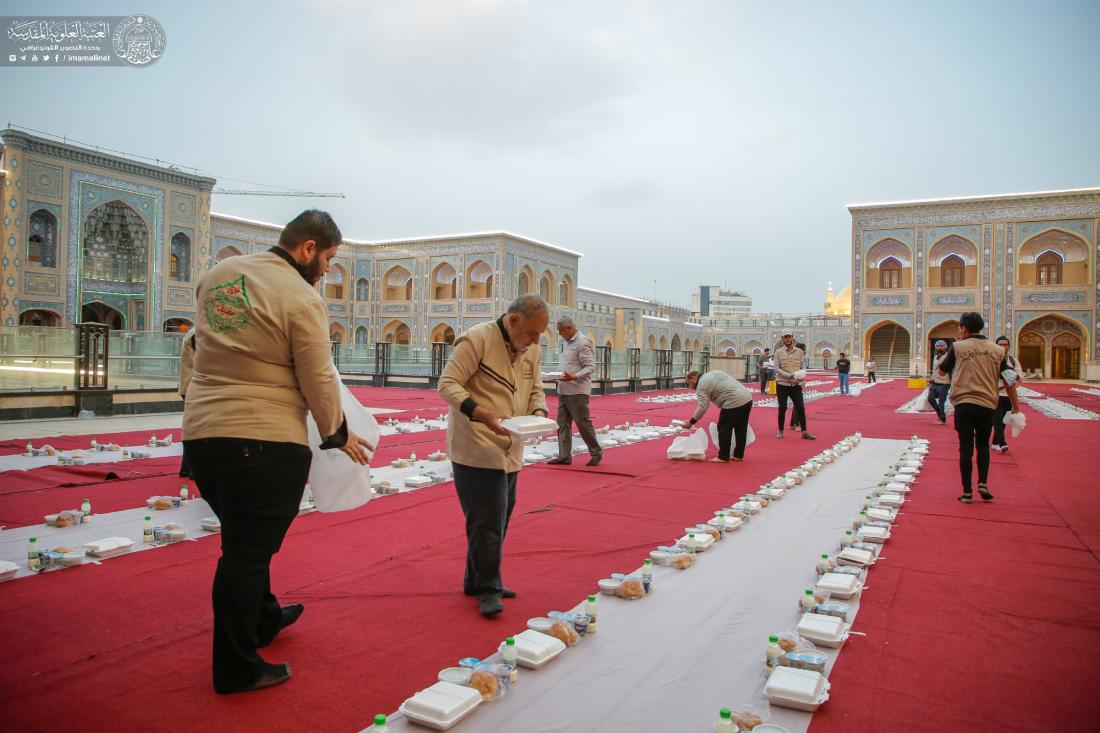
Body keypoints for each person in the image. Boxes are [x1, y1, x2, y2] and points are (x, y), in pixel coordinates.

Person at [184, 210, 376, 695]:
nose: (328, 270)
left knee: (245, 538)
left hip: (203, 435)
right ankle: (237, 667)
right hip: (263, 439)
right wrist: (337, 433)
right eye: (329, 258)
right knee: (245, 554)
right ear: (308, 248)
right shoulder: (300, 296)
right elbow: (317, 373)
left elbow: (195, 345)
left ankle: (265, 617)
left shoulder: (217, 277)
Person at [438, 295, 550, 616]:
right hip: (476, 445)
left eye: (540, 334)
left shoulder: (532, 349)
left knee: (499, 518)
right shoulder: (477, 340)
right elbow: (448, 384)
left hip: (511, 445)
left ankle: (476, 579)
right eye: (531, 332)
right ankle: (488, 587)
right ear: (512, 321)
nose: (535, 340)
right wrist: (481, 412)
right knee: (487, 520)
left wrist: (538, 410)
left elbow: (535, 388)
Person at [935, 312, 1020, 504]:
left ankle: (967, 492)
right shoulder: (997, 350)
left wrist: (952, 354)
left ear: (964, 328)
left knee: (965, 449)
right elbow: (1009, 379)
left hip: (964, 403)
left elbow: (941, 371)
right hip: (987, 404)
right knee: (983, 446)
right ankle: (983, 483)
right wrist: (1016, 406)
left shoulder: (958, 347)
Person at [547, 317, 602, 467]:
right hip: (564, 390)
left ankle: (596, 453)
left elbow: (590, 367)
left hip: (577, 391)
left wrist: (574, 376)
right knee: (562, 424)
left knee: (582, 423)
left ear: (569, 328)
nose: (559, 334)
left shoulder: (582, 342)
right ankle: (564, 455)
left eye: (560, 331)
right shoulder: (568, 343)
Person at [684, 369, 754, 462]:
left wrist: (691, 422)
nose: (690, 387)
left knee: (723, 427)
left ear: (693, 377)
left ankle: (723, 456)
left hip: (733, 401)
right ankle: (738, 455)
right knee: (741, 427)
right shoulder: (714, 372)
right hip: (747, 398)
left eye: (689, 383)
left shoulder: (701, 385)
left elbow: (702, 407)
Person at [774, 331, 815, 440]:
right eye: (785, 337)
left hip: (796, 385)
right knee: (782, 408)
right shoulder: (778, 352)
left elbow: (803, 366)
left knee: (801, 407)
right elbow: (777, 368)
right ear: (782, 338)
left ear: (792, 338)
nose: (787, 339)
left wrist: (801, 375)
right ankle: (780, 431)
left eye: (789, 337)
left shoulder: (799, 352)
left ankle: (804, 432)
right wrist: (789, 375)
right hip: (782, 384)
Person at [991, 335, 1020, 453]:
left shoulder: (1013, 361)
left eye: (1005, 344)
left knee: (1003, 421)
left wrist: (1015, 376)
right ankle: (1002, 443)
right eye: (1000, 344)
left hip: (1008, 395)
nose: (1003, 347)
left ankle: (994, 442)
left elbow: (1019, 374)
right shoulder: (992, 360)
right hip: (995, 394)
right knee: (997, 420)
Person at [178, 329, 196, 478]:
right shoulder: (200, 334)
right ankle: (194, 469)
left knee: (192, 427)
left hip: (190, 386)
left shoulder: (193, 333)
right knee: (199, 430)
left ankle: (186, 467)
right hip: (196, 387)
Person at [928, 340, 951, 425]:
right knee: (930, 398)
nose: (939, 347)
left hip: (944, 382)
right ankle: (940, 414)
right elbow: (935, 369)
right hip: (934, 382)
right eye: (937, 346)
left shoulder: (948, 356)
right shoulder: (935, 357)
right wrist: (931, 379)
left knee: (941, 401)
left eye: (941, 346)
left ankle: (942, 419)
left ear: (945, 347)